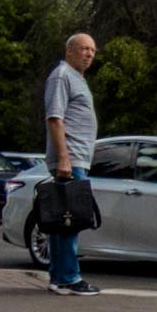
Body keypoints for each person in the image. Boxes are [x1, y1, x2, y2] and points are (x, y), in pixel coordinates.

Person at [41, 32, 100, 296]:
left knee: (62, 219)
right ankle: (69, 277)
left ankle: (59, 276)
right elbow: (55, 118)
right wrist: (64, 157)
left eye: (93, 50)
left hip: (77, 157)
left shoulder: (77, 78)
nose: (89, 54)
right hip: (70, 158)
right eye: (84, 49)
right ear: (69, 51)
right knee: (70, 219)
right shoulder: (62, 75)